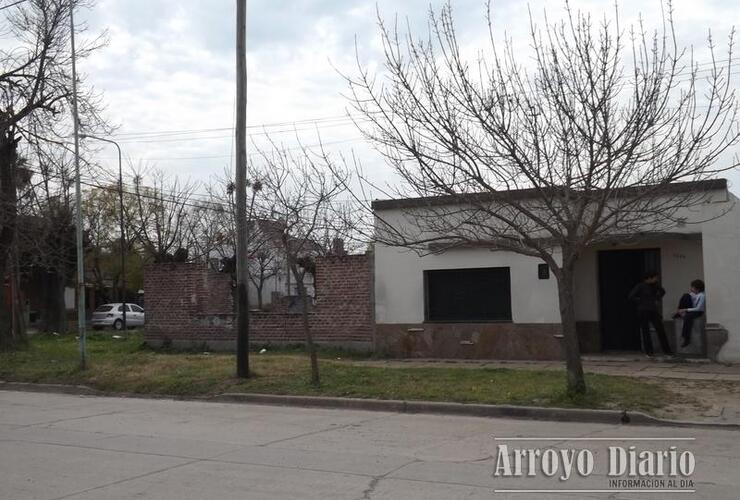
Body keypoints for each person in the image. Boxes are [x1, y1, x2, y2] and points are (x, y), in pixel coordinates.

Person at [628, 272, 673, 357]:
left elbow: (662, 291)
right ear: (649, 278)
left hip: (653, 310)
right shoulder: (640, 286)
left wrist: (657, 298)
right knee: (646, 331)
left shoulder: (655, 286)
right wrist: (641, 301)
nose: (656, 279)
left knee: (660, 329)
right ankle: (649, 351)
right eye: (654, 278)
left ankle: (667, 351)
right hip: (643, 310)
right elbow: (631, 296)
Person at [674, 279, 706, 348]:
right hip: (692, 309)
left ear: (697, 288)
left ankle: (686, 338)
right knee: (685, 295)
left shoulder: (702, 296)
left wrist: (686, 310)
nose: (691, 289)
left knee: (688, 317)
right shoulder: (695, 295)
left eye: (692, 287)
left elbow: (698, 308)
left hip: (698, 312)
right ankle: (679, 312)